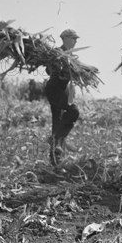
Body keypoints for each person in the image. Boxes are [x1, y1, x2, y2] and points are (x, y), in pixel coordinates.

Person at [45, 28, 80, 166]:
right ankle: (56, 139)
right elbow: (49, 69)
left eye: (76, 39)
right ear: (64, 38)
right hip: (55, 88)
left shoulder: (72, 56)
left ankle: (55, 161)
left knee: (58, 123)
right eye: (73, 38)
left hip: (63, 90)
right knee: (74, 111)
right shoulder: (57, 53)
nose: (75, 41)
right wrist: (58, 72)